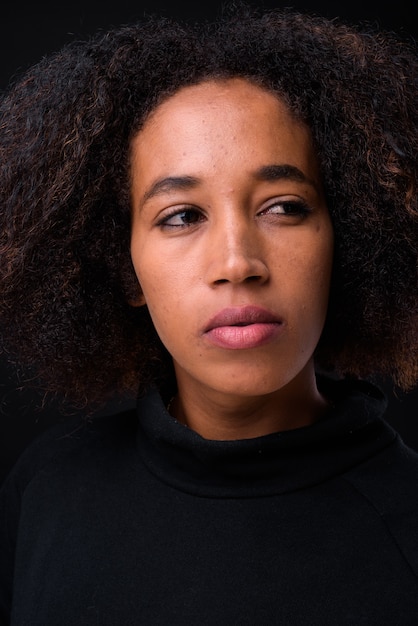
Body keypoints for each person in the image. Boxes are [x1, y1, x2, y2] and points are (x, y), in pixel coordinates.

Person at [0, 6, 417, 625]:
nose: (237, 262)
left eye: (283, 207)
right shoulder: (46, 489)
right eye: (182, 216)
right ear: (125, 270)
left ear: (348, 235)